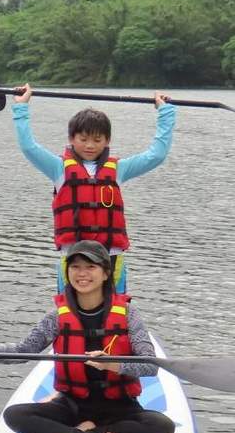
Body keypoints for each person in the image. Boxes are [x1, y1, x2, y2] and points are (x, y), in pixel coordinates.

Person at [0, 240, 175, 433]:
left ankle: (88, 432)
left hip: (120, 408)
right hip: (72, 405)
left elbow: (150, 366)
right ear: (67, 273)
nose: (82, 274)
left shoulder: (129, 314)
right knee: (15, 415)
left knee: (162, 427)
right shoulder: (57, 317)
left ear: (105, 273)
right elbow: (24, 349)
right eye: (75, 267)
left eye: (90, 266)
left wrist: (113, 364)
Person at [12, 84, 174, 292]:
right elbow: (28, 146)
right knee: (69, 315)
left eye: (97, 140)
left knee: (115, 314)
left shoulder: (119, 169)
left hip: (111, 256)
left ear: (107, 141)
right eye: (83, 139)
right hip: (73, 256)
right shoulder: (58, 168)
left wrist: (165, 112)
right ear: (71, 139)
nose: (90, 145)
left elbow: (156, 155)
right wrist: (21, 107)